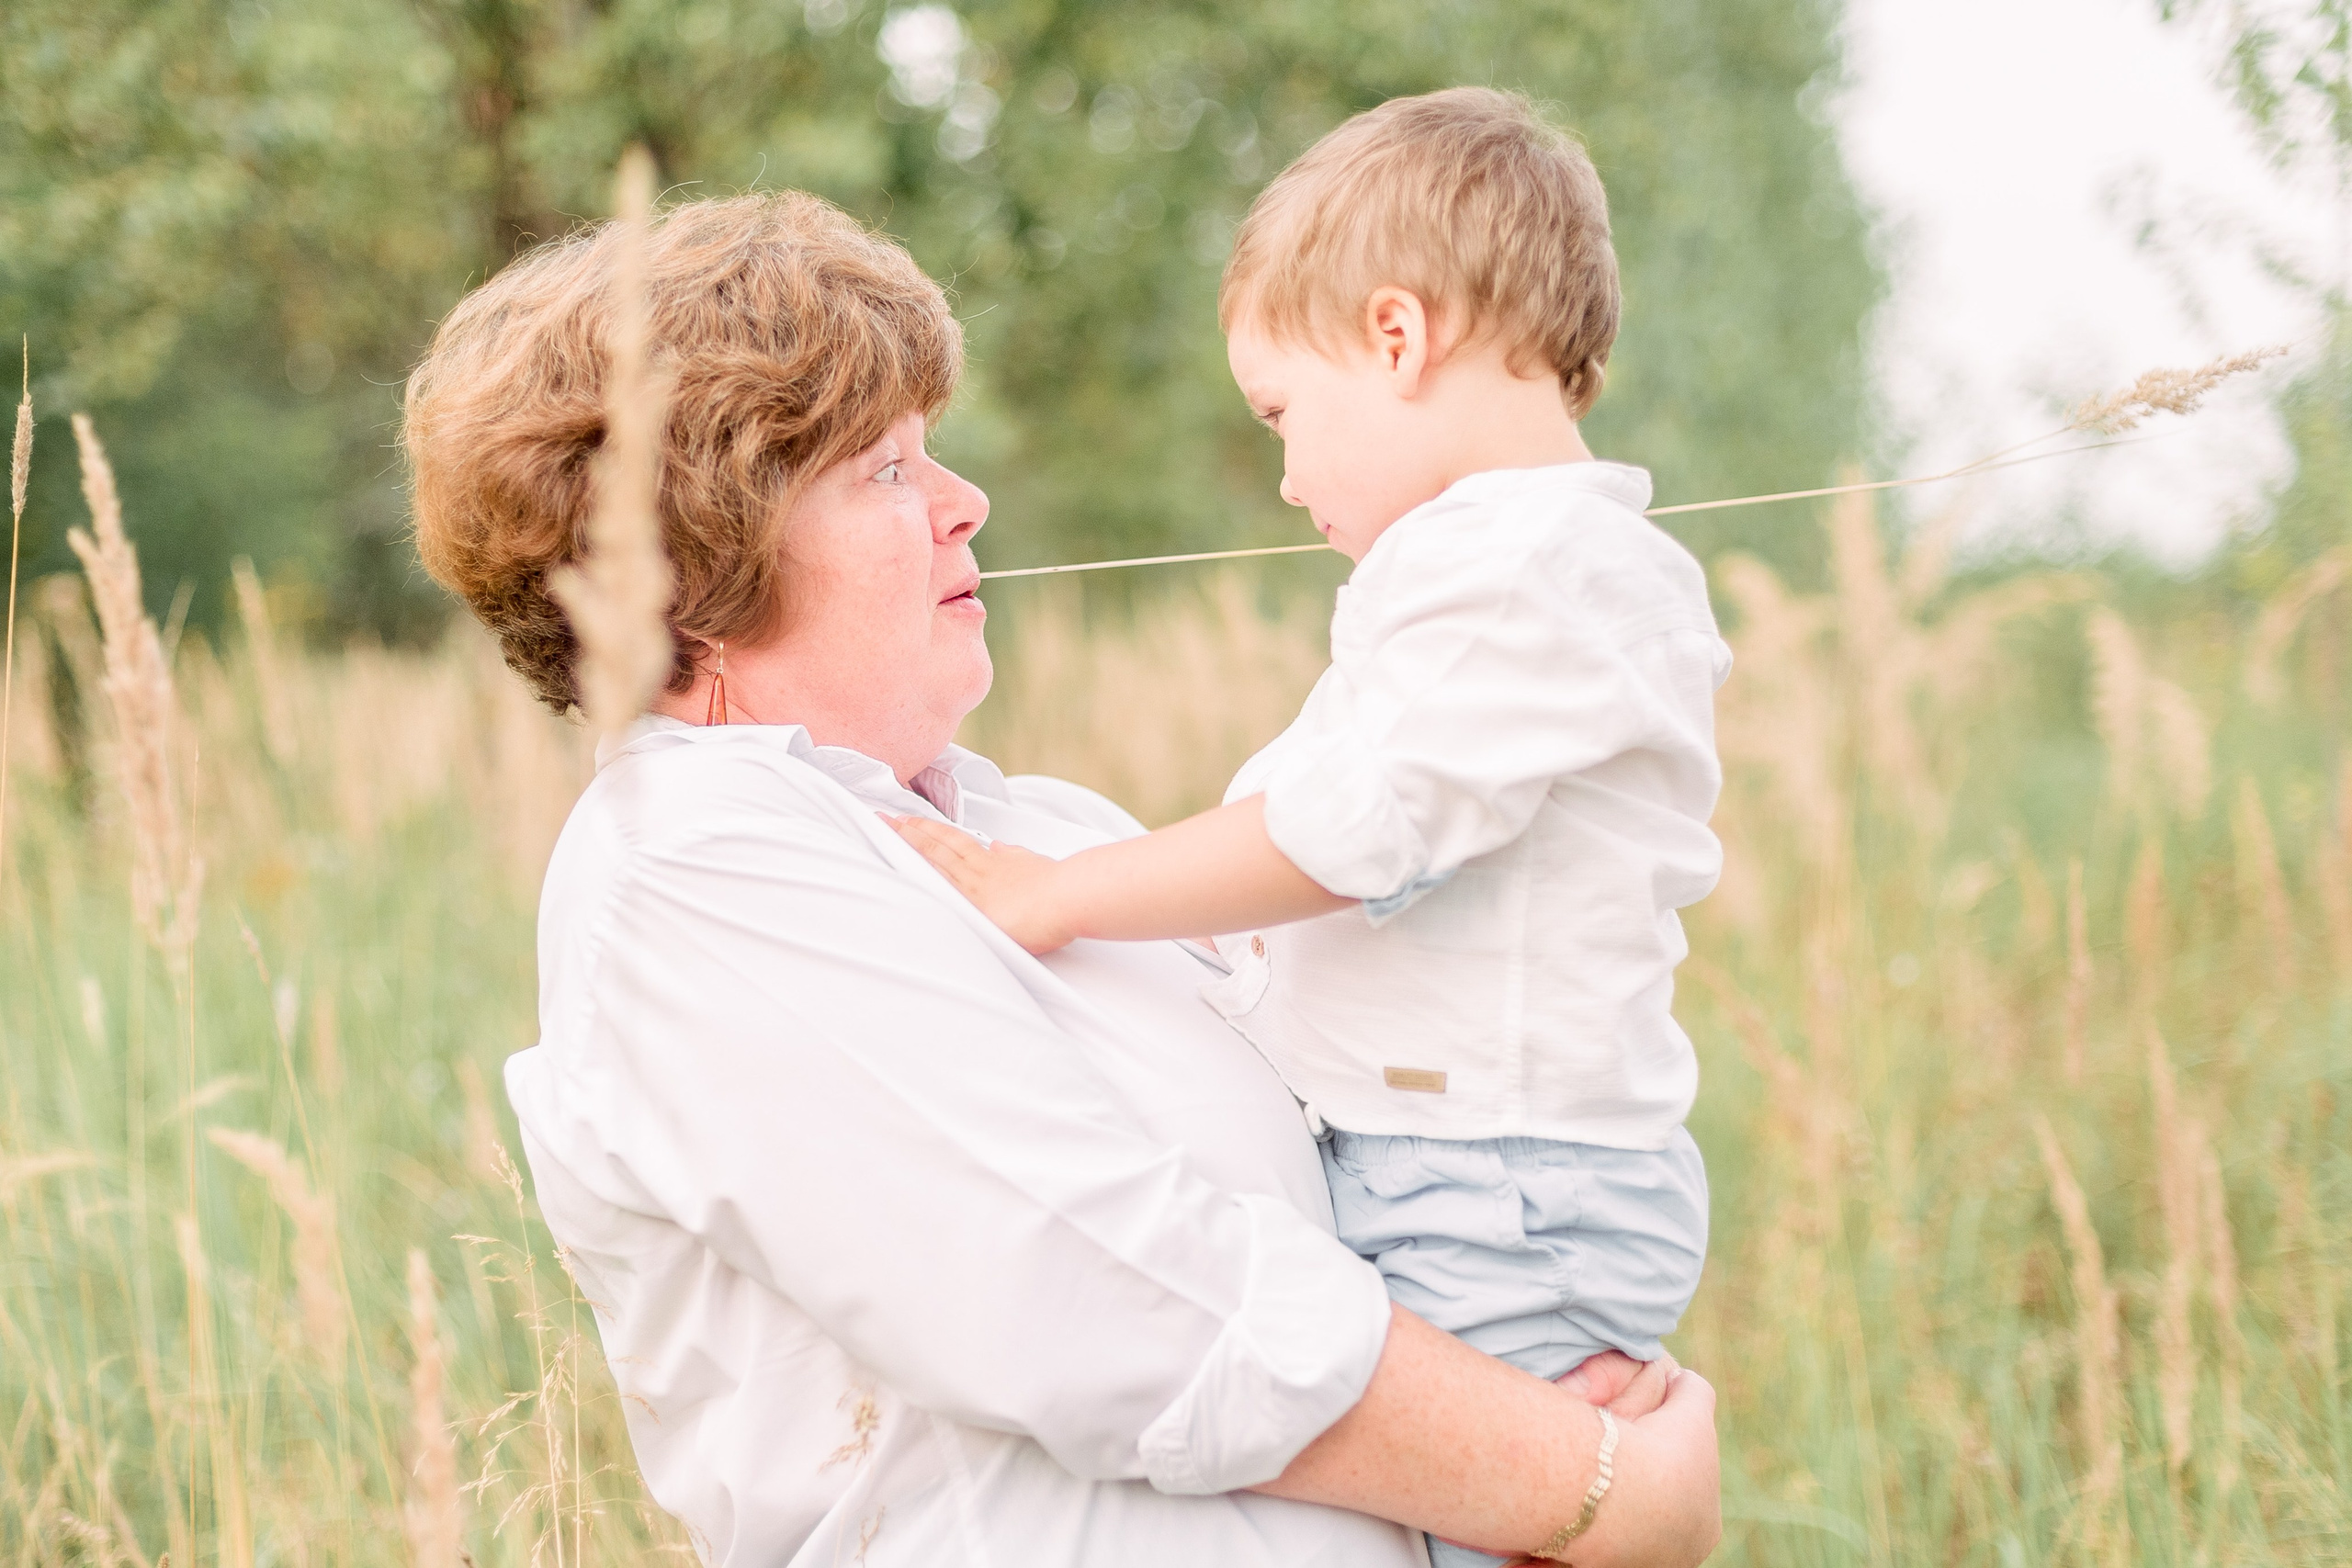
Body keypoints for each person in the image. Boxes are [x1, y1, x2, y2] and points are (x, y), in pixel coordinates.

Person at [403, 187, 1722, 1566]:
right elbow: (1115, 1299)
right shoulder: (684, 867)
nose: (965, 504)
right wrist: (1596, 1488)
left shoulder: (1045, 828)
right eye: (888, 471)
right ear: (694, 558)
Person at [888, 89, 1727, 1568]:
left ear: (1397, 339)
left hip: (1499, 1190)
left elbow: (1350, 831)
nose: (1283, 478)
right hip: (1464, 1167)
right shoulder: (1498, 569)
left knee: (1504, 1515)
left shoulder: (1527, 566)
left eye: (1282, 414)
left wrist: (1063, 894)